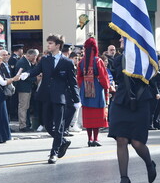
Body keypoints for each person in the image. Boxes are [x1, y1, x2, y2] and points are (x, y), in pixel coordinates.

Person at [20, 34, 80, 164]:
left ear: (58, 45)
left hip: (60, 97)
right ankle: (63, 141)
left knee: (58, 126)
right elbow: (36, 70)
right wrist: (27, 74)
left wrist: (76, 100)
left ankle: (54, 153)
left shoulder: (67, 62)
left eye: (50, 44)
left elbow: (72, 82)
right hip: (46, 96)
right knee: (47, 125)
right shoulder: (45, 59)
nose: (48, 46)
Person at [108, 37, 157, 183]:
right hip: (122, 101)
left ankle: (150, 164)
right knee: (121, 139)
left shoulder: (146, 59)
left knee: (137, 142)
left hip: (141, 101)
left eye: (123, 38)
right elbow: (118, 78)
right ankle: (124, 178)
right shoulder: (118, 60)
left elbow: (152, 79)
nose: (120, 40)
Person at [77, 37, 110, 147]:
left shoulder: (81, 61)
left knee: (88, 115)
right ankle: (95, 138)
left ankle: (89, 138)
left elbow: (79, 77)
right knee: (97, 114)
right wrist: (106, 87)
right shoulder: (98, 60)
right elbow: (103, 76)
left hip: (86, 89)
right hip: (97, 88)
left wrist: (84, 86)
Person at [0, 54, 22, 143]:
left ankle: (1, 136)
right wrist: (14, 79)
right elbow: (3, 82)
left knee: (1, 115)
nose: (1, 62)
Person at [15, 49, 38, 131]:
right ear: (29, 55)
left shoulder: (27, 62)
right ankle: (22, 125)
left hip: (27, 88)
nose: (35, 58)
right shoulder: (22, 62)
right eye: (34, 56)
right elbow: (21, 76)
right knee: (23, 107)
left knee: (26, 107)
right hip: (23, 87)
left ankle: (26, 124)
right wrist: (35, 78)